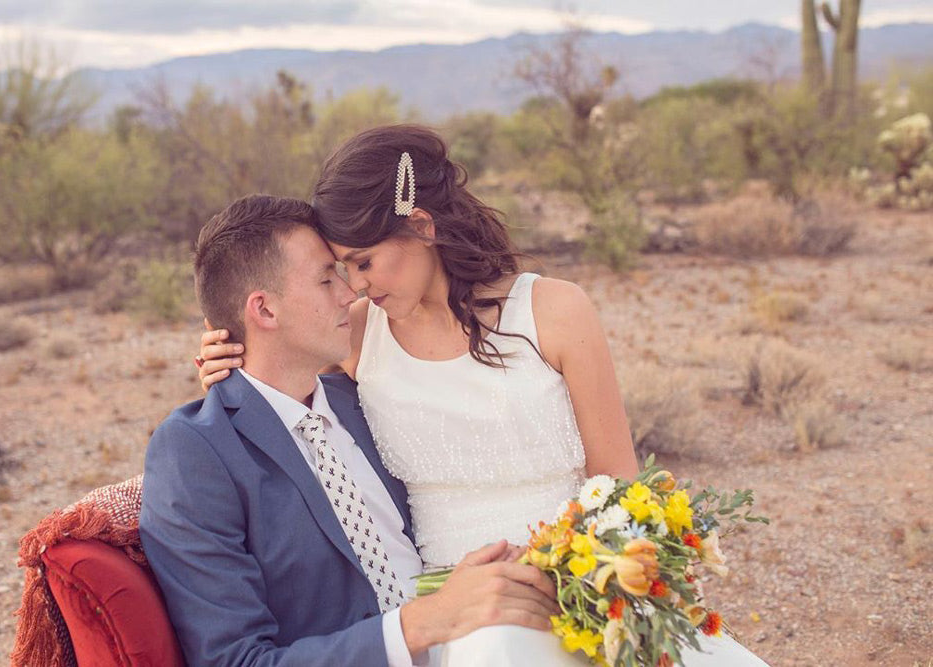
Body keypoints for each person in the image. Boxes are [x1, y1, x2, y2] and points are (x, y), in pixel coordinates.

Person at [196, 126, 769, 665]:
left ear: (421, 226)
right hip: (455, 601)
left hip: (582, 578)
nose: (355, 285)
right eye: (342, 269)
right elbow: (276, 388)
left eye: (364, 262)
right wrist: (225, 358)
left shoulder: (554, 312)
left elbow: (617, 479)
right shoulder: (361, 334)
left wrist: (578, 574)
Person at [141, 194, 562, 666]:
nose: (350, 294)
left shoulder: (366, 397)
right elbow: (234, 660)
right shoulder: (195, 451)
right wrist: (423, 623)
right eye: (327, 279)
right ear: (265, 311)